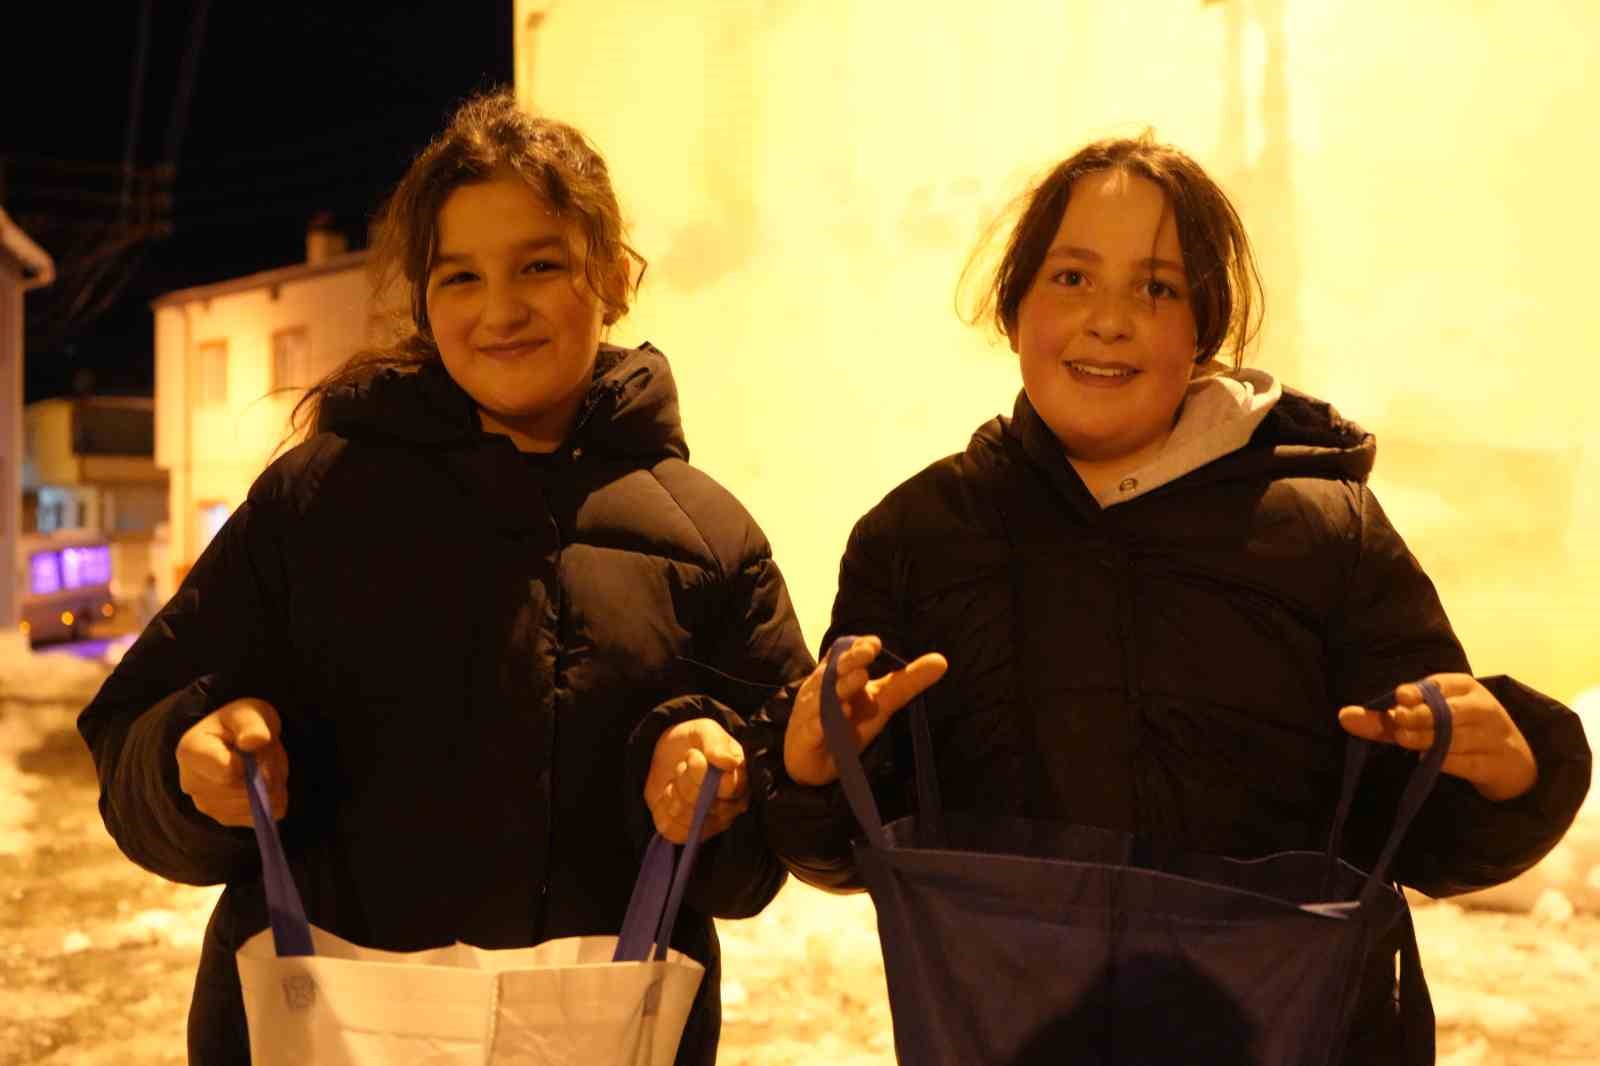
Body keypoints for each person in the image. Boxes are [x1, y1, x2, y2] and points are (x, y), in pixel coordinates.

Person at [748, 134, 1591, 1063]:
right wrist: (812, 775)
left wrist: (1509, 770)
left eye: (1156, 288)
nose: (1109, 320)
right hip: (1019, 1038)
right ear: (1013, 305)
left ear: (1204, 330)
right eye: (1071, 278)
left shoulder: (1326, 535)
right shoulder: (918, 541)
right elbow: (857, 850)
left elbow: (1422, 839)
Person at [76, 90, 812, 1066]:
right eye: (458, 275)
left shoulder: (710, 539)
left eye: (539, 265)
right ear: (423, 296)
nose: (498, 308)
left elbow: (768, 849)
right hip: (322, 1026)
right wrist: (185, 762)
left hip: (601, 1031)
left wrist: (721, 790)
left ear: (612, 277)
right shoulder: (312, 502)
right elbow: (132, 736)